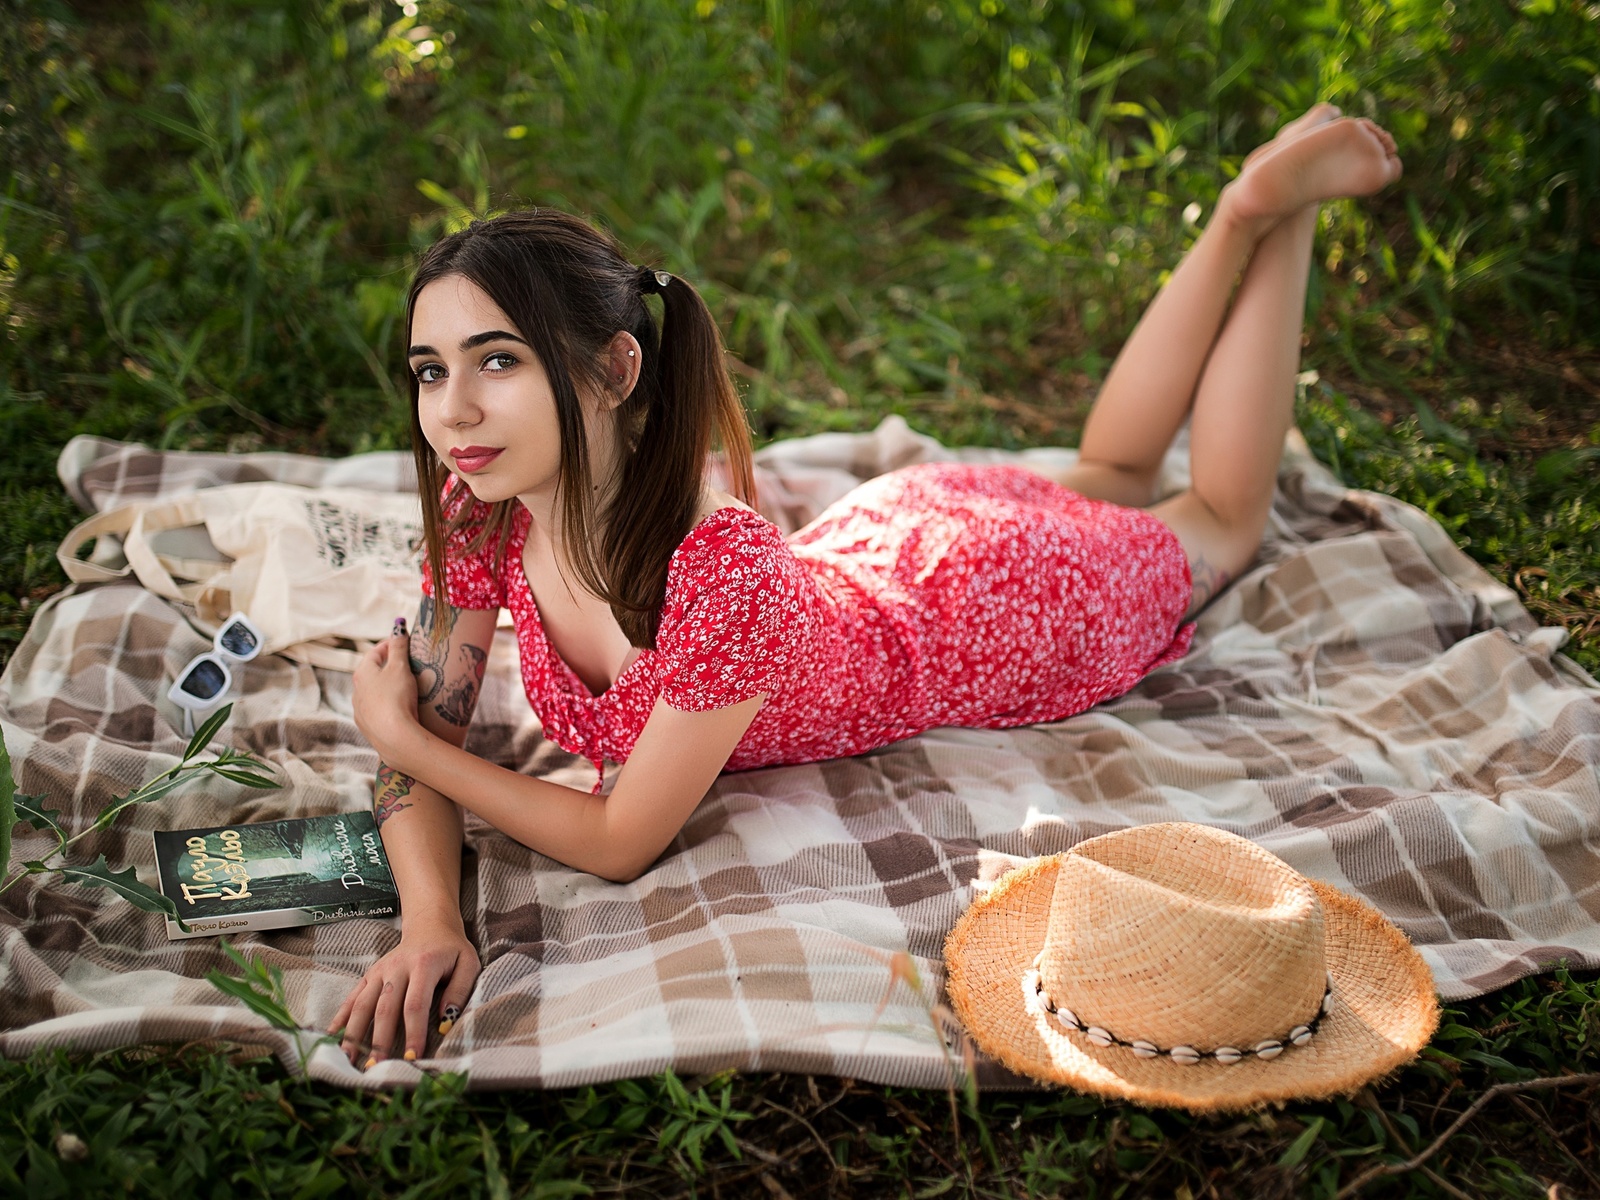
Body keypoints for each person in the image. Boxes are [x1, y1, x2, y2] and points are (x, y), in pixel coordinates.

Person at [330, 104, 1402, 1066]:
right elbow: (425, 721)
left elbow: (616, 842)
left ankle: (1270, 210)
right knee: (1110, 475)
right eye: (431, 370)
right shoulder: (484, 509)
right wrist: (432, 919)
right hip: (888, 541)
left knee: (1217, 514)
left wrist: (411, 744)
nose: (453, 413)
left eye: (498, 361)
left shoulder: (722, 568)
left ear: (614, 372)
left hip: (999, 609)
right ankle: (1235, 218)